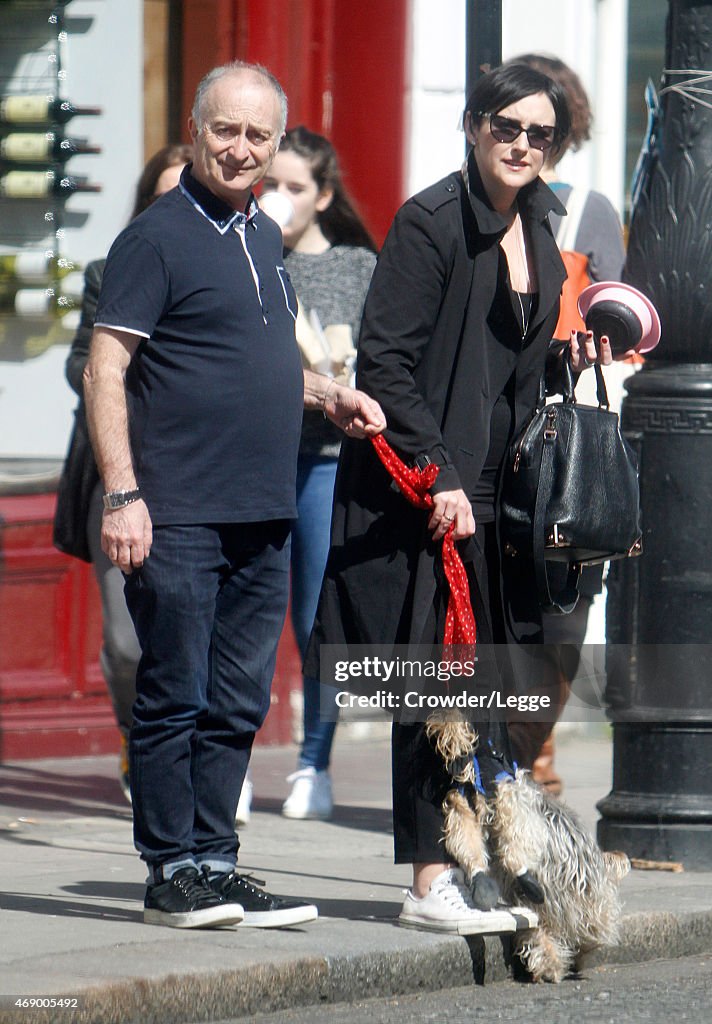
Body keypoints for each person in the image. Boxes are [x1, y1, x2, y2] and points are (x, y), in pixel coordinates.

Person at [305, 63, 619, 936]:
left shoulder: (542, 227)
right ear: (475, 126)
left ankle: (478, 867)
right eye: (506, 127)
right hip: (425, 493)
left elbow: (510, 365)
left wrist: (570, 358)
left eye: (540, 134)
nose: (522, 144)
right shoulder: (431, 221)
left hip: (505, 494)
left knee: (503, 686)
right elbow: (387, 363)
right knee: (432, 682)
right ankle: (427, 883)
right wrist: (440, 472)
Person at [82, 61, 385, 930]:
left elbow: (256, 361)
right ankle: (168, 871)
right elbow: (108, 369)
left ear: (277, 144)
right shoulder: (157, 237)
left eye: (259, 135)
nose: (242, 148)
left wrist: (329, 395)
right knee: (174, 691)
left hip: (265, 507)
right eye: (226, 130)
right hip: (176, 508)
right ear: (193, 131)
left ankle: (216, 862)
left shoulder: (260, 233)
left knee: (239, 698)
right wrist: (122, 495)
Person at [504, 54, 627, 793]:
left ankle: (532, 755)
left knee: (564, 608)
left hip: (570, 442)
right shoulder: (470, 210)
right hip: (499, 433)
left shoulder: (588, 213)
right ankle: (501, 760)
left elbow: (625, 326)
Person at [59, 143, 193, 801]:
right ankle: (135, 739)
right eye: (162, 197)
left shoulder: (233, 270)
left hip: (199, 476)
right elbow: (80, 363)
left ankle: (194, 760)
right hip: (122, 472)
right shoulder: (109, 269)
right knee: (127, 643)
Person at [258, 126, 377, 820]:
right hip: (256, 453)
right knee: (237, 617)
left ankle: (312, 763)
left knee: (313, 616)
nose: (279, 198)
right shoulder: (244, 253)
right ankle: (229, 766)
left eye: (294, 187)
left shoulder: (357, 266)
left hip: (326, 460)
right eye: (269, 184)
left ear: (323, 195)